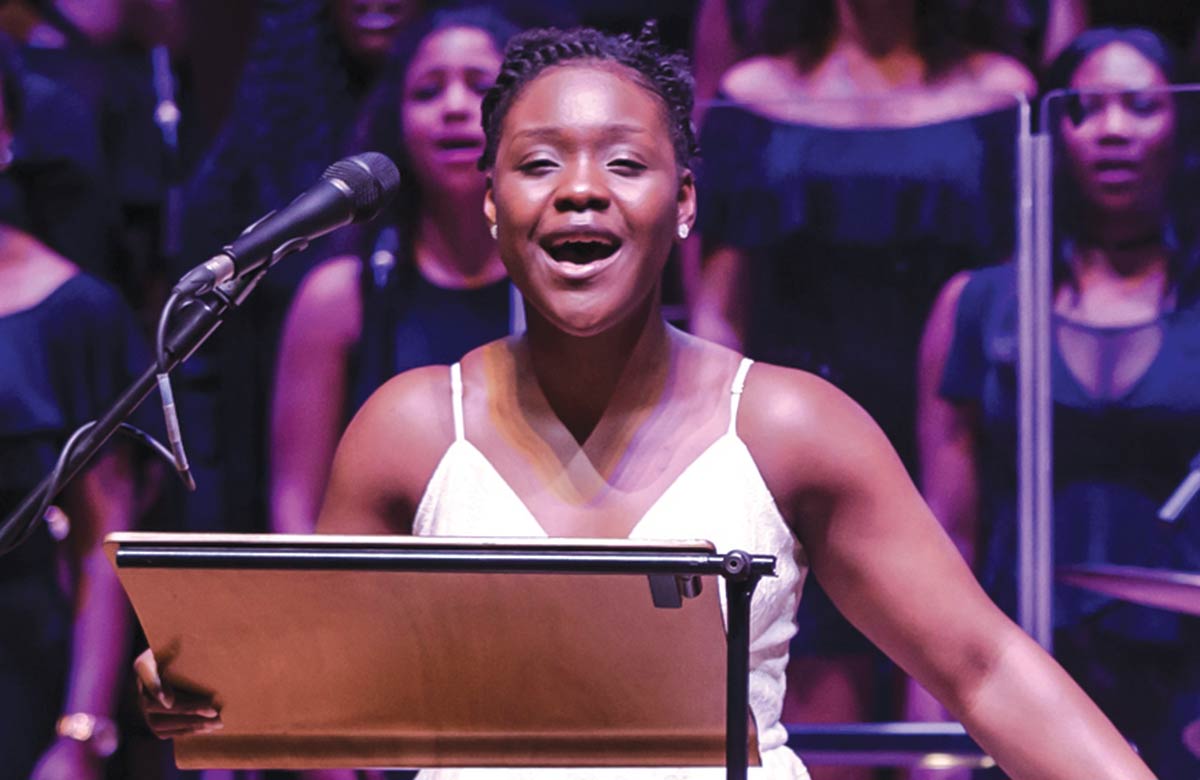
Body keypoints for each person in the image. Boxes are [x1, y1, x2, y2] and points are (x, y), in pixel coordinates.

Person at [136, 23, 1157, 780]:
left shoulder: (789, 426)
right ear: (493, 208)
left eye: (625, 163)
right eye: (539, 165)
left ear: (687, 206)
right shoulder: (409, 429)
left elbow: (982, 669)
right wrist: (218, 693)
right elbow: (328, 723)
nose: (581, 190)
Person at [686, 0, 1036, 755]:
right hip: (800, 438)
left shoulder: (1003, 89)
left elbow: (1031, 282)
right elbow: (718, 314)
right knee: (816, 722)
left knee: (961, 704)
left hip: (966, 425)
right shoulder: (753, 93)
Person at [916, 27, 1200, 778]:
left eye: (1141, 106)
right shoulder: (979, 306)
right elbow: (945, 534)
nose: (1112, 131)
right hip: (1022, 654)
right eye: (1085, 109)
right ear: (1052, 133)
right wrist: (927, 734)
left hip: (1188, 673)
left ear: (1182, 124)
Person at [270, 6, 520, 537]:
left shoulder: (562, 285)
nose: (455, 107)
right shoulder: (341, 296)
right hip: (373, 601)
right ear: (397, 122)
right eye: (427, 91)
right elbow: (295, 510)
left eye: (481, 87)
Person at [0, 54, 151, 780]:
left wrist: (80, 732)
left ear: (6, 135)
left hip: (21, 669)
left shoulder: (74, 311)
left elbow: (104, 537)